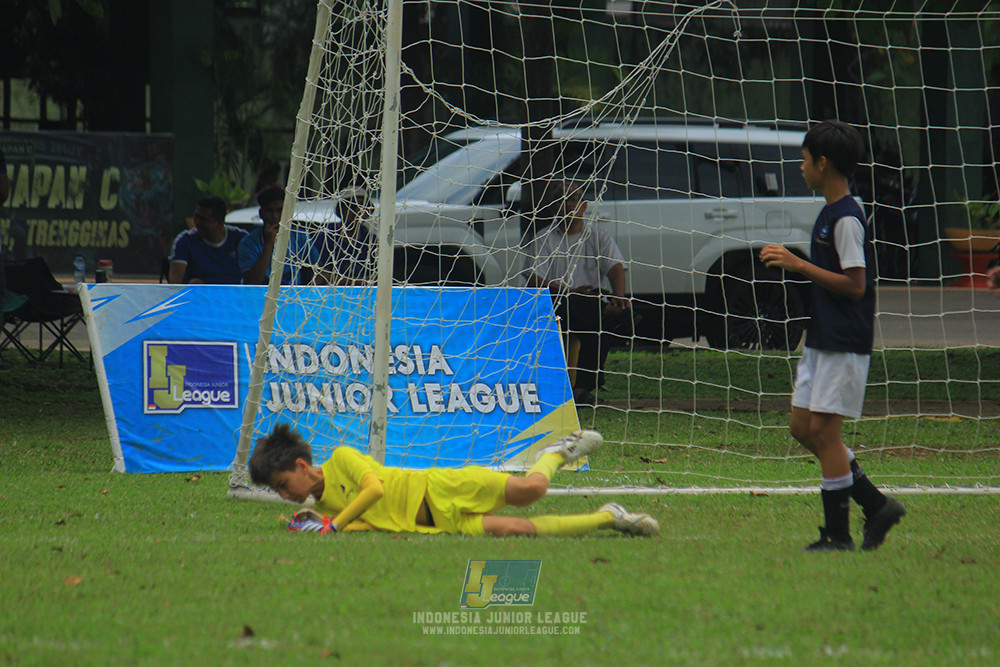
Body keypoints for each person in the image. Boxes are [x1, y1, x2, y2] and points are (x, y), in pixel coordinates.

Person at [759, 120, 906, 552]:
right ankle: (876, 504)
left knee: (824, 432)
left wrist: (799, 264)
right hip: (823, 337)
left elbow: (856, 285)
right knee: (802, 427)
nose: (801, 167)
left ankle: (837, 534)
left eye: (804, 160)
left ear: (822, 163)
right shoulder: (829, 211)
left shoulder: (847, 218)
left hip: (844, 340)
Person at [248, 424, 659, 538]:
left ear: (302, 466)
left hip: (442, 487)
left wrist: (333, 525)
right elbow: (369, 523)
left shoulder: (342, 458)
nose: (283, 495)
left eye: (282, 484)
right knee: (518, 529)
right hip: (443, 522)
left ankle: (555, 453)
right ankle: (611, 517)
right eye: (276, 491)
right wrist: (320, 524)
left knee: (531, 490)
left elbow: (374, 490)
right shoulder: (324, 507)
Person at [525, 182, 630, 406]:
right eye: (562, 200)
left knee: (598, 320)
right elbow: (534, 278)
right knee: (594, 317)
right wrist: (571, 292)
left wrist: (619, 295)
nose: (568, 205)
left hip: (590, 303)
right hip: (556, 303)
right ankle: (580, 389)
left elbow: (615, 266)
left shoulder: (598, 235)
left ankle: (581, 389)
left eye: (573, 199)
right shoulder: (543, 238)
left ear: (584, 206)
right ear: (554, 207)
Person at [238, 187, 318, 285]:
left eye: (280, 211)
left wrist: (308, 291)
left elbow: (320, 270)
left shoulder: (299, 236)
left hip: (292, 294)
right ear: (261, 213)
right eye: (269, 211)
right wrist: (268, 245)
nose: (275, 216)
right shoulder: (248, 243)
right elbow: (252, 282)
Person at [168, 195, 248, 284]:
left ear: (220, 221)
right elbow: (175, 281)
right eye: (196, 217)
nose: (197, 222)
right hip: (199, 292)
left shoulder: (241, 239)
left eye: (203, 219)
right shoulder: (185, 241)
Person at [314, 186, 375, 286]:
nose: (357, 211)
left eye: (362, 206)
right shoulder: (325, 237)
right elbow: (322, 276)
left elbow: (377, 275)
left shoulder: (371, 240)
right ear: (341, 209)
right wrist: (360, 281)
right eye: (352, 206)